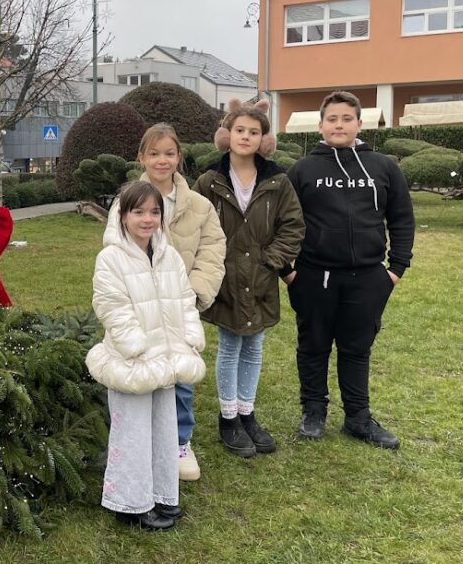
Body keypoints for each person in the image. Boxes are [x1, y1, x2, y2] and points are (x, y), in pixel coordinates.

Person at [282, 91, 415, 449]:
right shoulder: (303, 170)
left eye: (346, 119)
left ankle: (358, 417)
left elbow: (401, 218)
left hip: (369, 277)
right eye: (331, 119)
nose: (339, 125)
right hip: (313, 276)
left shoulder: (383, 167)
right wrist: (288, 272)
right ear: (321, 125)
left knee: (357, 349)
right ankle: (313, 411)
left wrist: (395, 269)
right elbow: (281, 222)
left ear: (359, 123)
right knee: (314, 346)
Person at [104, 124, 225, 481]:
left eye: (169, 153)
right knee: (142, 371)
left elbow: (214, 250)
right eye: (154, 153)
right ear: (142, 157)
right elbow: (114, 249)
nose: (162, 160)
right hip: (139, 304)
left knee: (180, 375)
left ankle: (179, 441)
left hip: (179, 305)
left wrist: (193, 291)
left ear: (178, 158)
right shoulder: (126, 201)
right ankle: (142, 441)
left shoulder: (199, 206)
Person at [88, 181, 207, 530]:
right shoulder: (111, 258)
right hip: (133, 362)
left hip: (166, 360)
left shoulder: (168, 255)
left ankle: (159, 495)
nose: (147, 219)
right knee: (133, 434)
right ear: (123, 215)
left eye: (154, 212)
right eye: (138, 211)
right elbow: (111, 306)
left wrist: (189, 337)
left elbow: (183, 300)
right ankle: (129, 504)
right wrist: (136, 347)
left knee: (162, 430)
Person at [195, 100, 304, 458]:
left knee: (253, 348)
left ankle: (247, 413)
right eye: (240, 130)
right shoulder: (210, 180)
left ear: (264, 139)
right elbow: (194, 227)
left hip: (260, 279)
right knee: (229, 347)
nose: (246, 137)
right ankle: (228, 418)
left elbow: (292, 226)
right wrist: (210, 268)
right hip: (224, 279)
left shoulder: (277, 181)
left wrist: (271, 262)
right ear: (227, 135)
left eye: (253, 132)